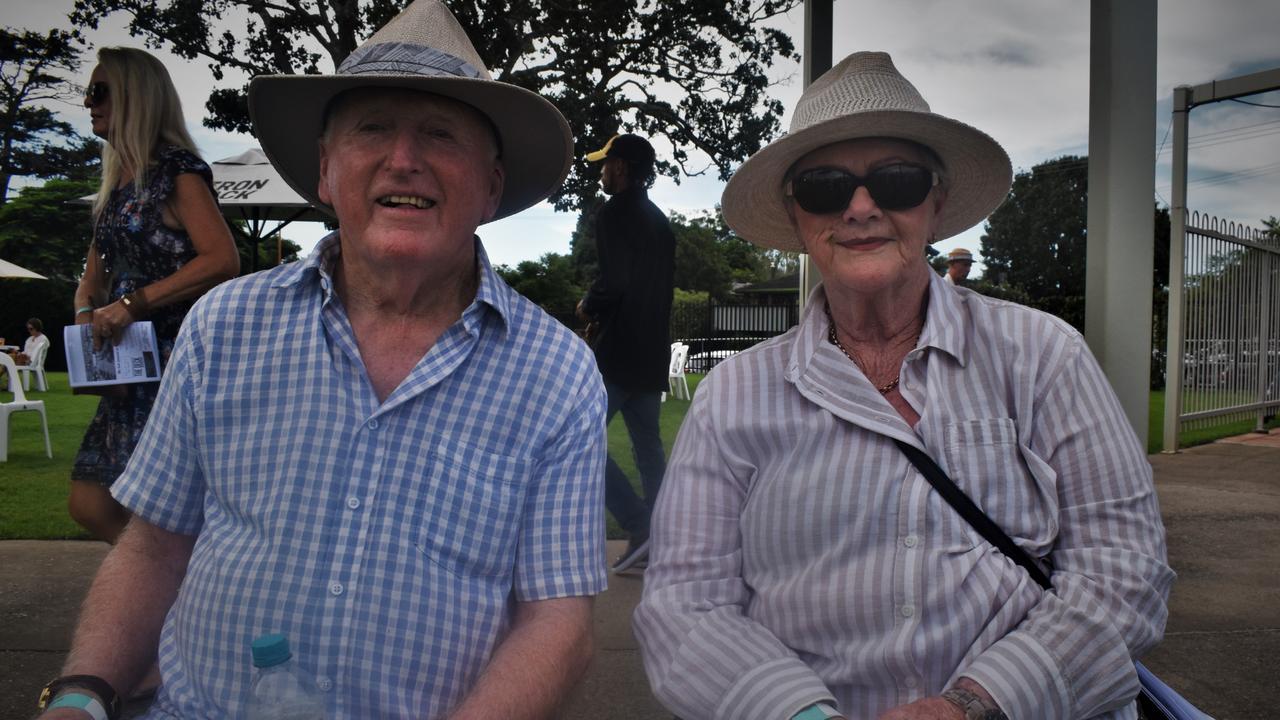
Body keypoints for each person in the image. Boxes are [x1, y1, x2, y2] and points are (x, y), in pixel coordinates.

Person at [36, 2, 605, 718]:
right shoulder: (226, 325)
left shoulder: (555, 373)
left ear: (491, 186)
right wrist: (84, 691)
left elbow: (556, 621)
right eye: (372, 128)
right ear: (326, 171)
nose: (404, 159)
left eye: (440, 133)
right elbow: (154, 547)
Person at [634, 52, 1174, 720]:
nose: (860, 207)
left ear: (937, 203)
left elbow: (1124, 571)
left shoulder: (1042, 355)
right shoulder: (733, 395)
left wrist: (975, 705)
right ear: (798, 217)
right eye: (826, 187)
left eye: (897, 180)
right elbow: (685, 603)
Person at [68, 46, 240, 544]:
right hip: (127, 366)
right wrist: (86, 319)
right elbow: (92, 279)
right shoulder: (114, 186)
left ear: (135, 97)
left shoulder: (176, 171)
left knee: (153, 515)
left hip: (173, 363)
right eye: (88, 92)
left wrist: (130, 305)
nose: (89, 103)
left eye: (99, 92)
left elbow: (221, 260)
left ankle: (171, 602)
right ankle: (167, 596)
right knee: (91, 502)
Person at [577, 132, 676, 573]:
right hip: (652, 350)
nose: (601, 170)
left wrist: (589, 304)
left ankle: (638, 524)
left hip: (617, 351)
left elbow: (615, 280)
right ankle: (660, 539)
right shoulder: (659, 221)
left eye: (606, 163)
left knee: (582, 442)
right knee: (649, 450)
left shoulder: (614, 213)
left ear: (621, 168)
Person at [1, 318, 49, 389]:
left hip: (31, 361)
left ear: (37, 328)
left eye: (31, 329)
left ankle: (10, 385)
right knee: (6, 360)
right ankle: (10, 385)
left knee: (7, 359)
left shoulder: (43, 339)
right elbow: (25, 352)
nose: (29, 331)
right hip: (23, 359)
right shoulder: (29, 339)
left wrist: (24, 356)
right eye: (28, 329)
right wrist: (18, 353)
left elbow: (36, 355)